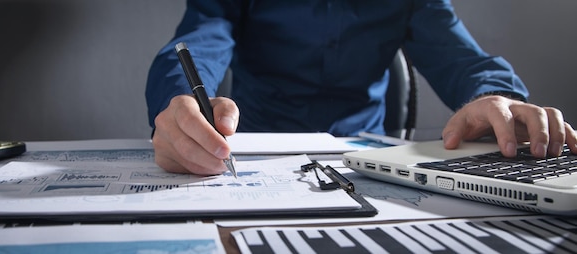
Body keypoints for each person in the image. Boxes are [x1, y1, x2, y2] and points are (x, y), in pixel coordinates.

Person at [145, 0, 577, 175]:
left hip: (363, 163)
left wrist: (495, 98)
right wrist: (178, 106)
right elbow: (197, 40)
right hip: (250, 153)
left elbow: (461, 56)